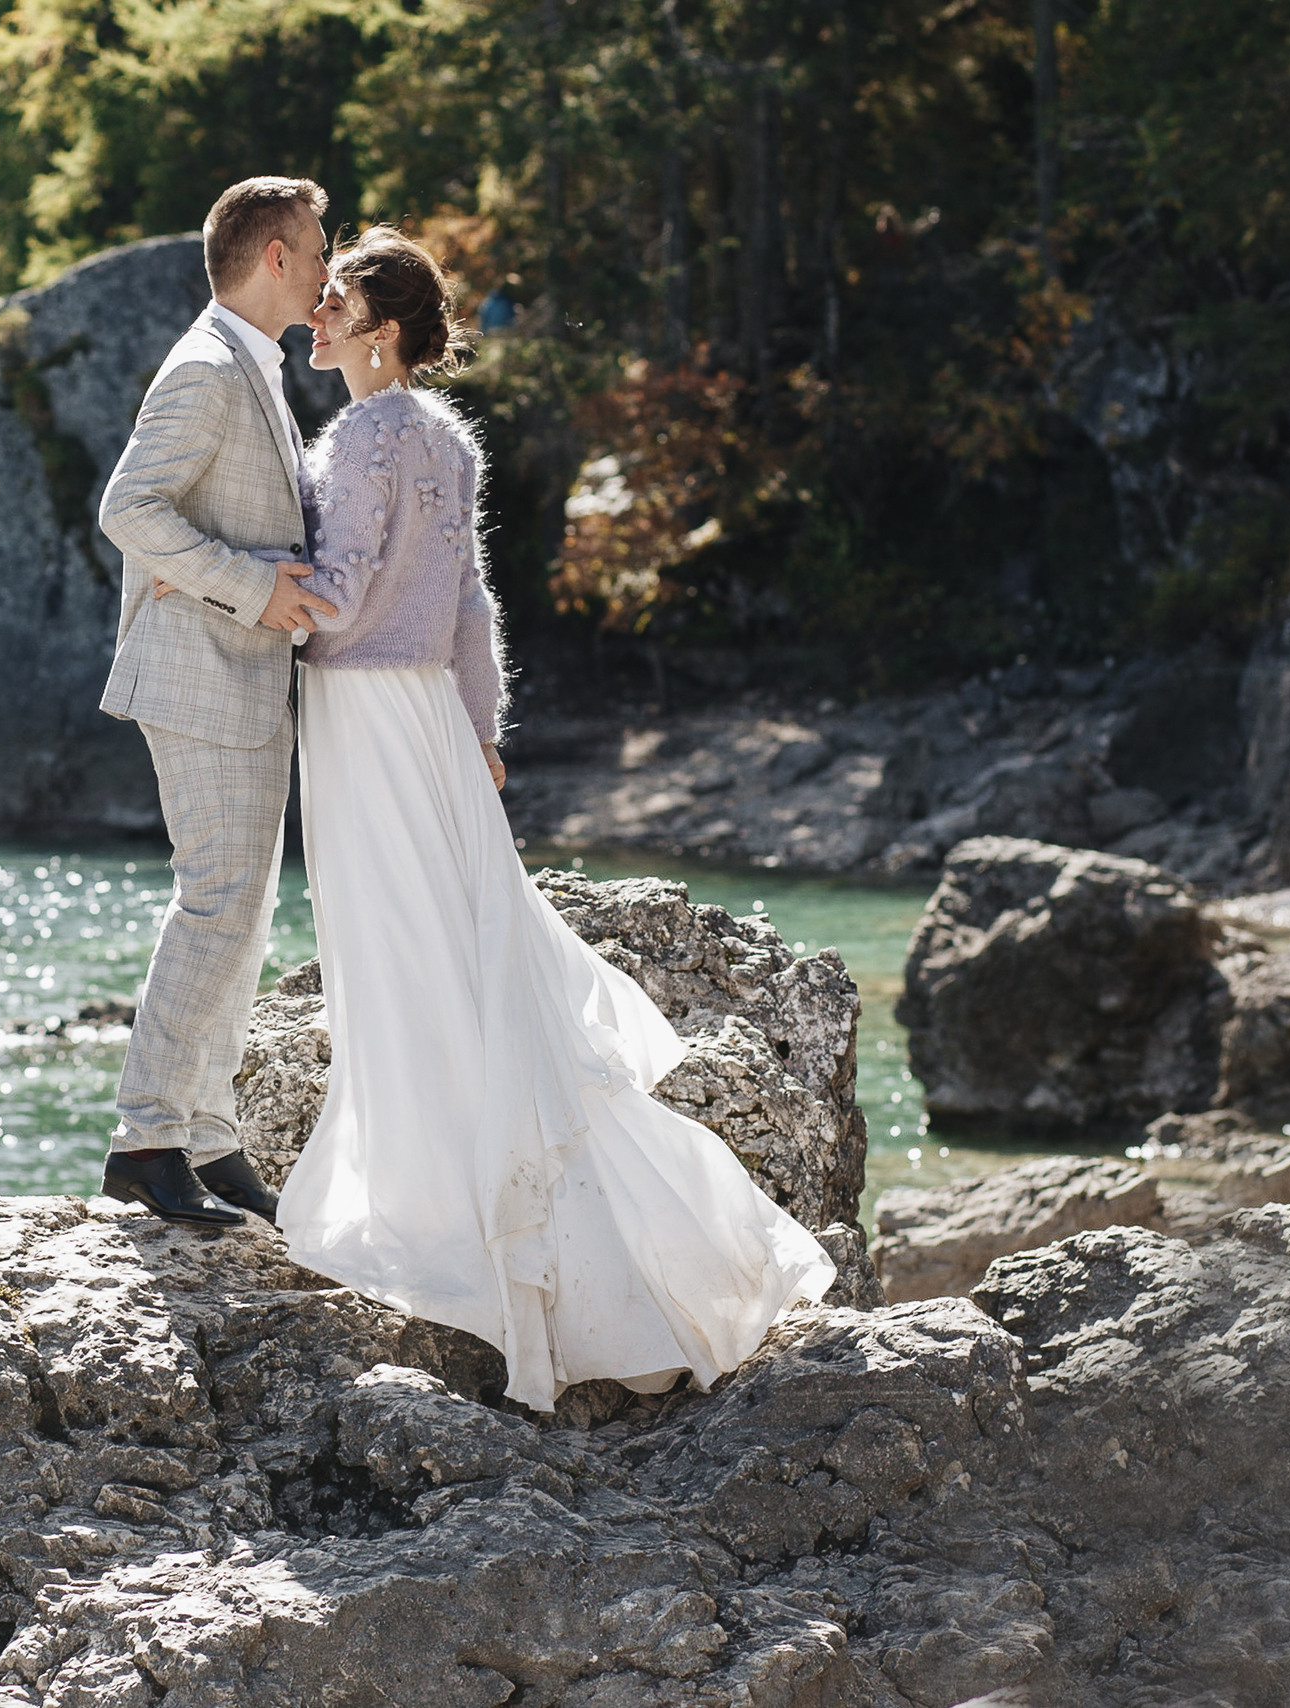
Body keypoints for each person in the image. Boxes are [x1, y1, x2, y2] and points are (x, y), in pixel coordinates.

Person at [168, 227, 834, 1412]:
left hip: (365, 714)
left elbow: (351, 581)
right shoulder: (448, 440)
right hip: (426, 715)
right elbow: (469, 602)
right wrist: (480, 728)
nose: (312, 317)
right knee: (462, 951)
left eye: (331, 303)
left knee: (401, 959)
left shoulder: (368, 432)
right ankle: (540, 1226)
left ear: (378, 329)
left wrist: (248, 600)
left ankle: (446, 1221)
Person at [93, 177, 338, 1228]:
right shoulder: (204, 367)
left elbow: (210, 518)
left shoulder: (254, 363)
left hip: (235, 673)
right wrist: (250, 585)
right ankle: (144, 1138)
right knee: (217, 902)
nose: (330, 267)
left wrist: (267, 572)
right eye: (320, 248)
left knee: (239, 912)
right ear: (275, 256)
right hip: (199, 673)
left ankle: (209, 1138)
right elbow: (126, 507)